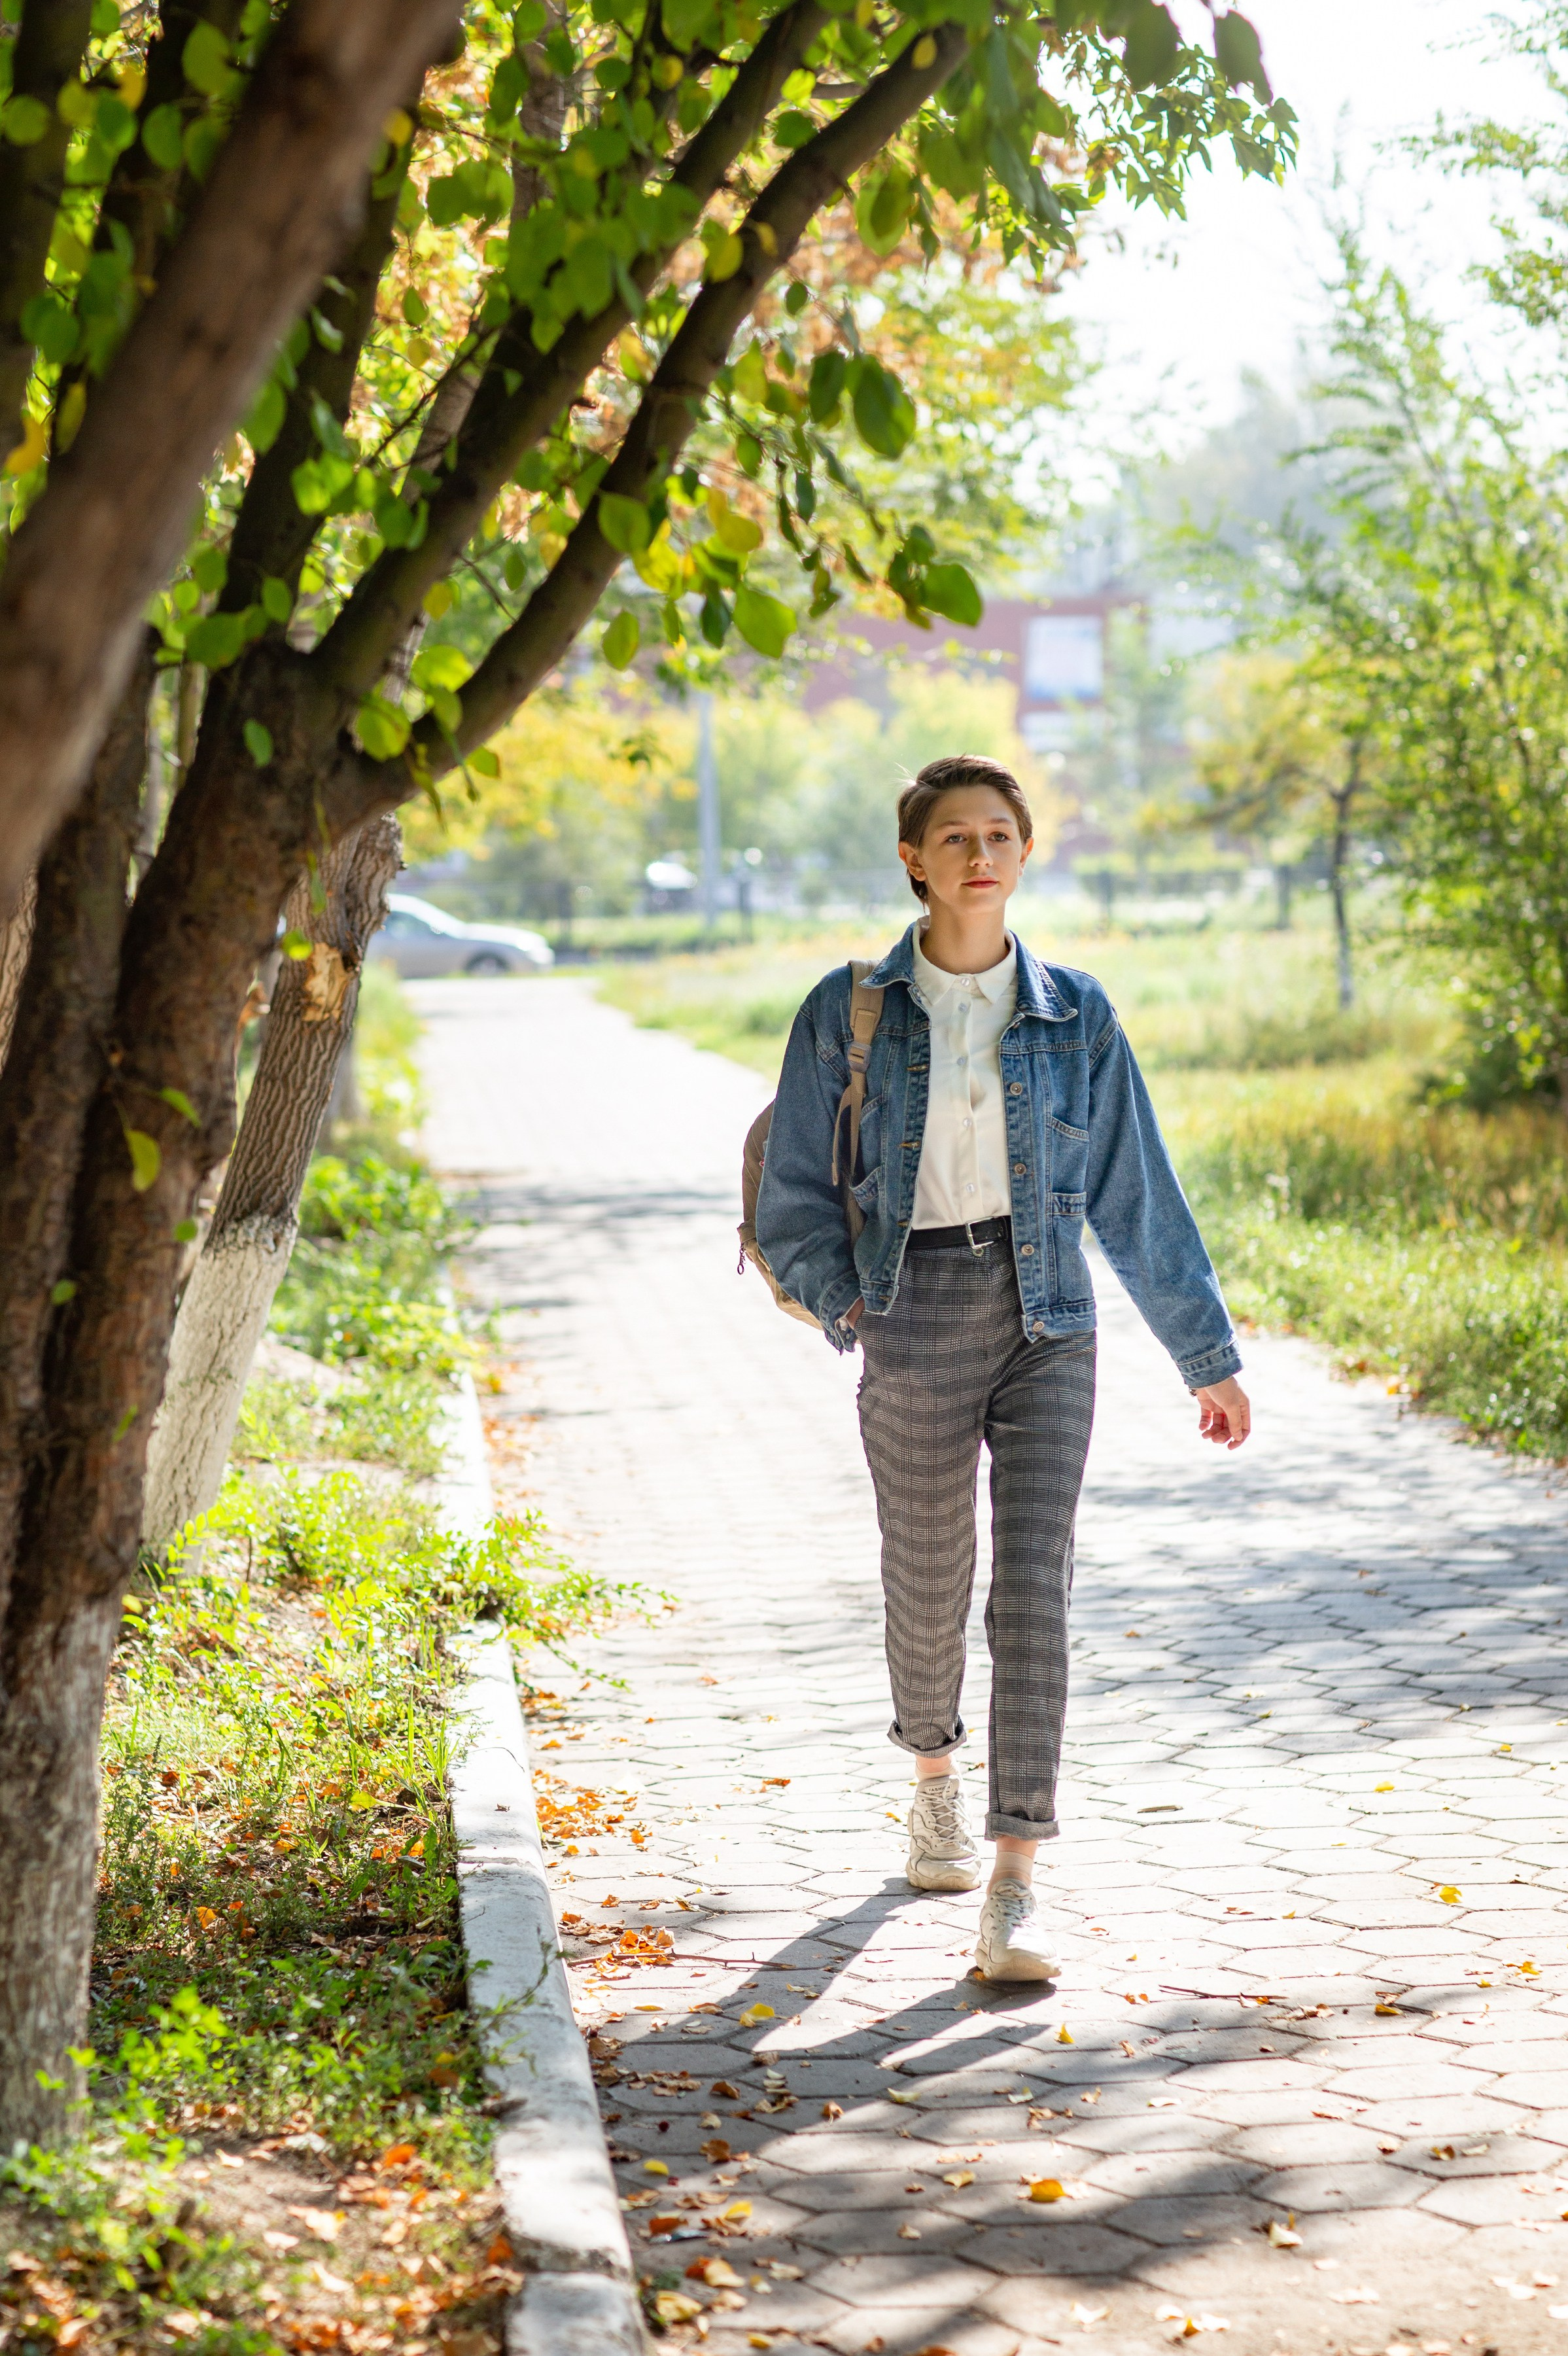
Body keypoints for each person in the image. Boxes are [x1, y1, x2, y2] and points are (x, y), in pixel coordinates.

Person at [754, 753, 1251, 1982]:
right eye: (954, 837)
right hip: (909, 1308)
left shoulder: (1076, 1012)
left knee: (1033, 1593)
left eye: (1000, 835)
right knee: (927, 1582)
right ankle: (932, 1773)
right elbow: (790, 1198)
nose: (980, 854)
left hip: (1049, 1319)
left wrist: (1207, 1355)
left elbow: (1136, 1193)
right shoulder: (850, 1010)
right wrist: (852, 1307)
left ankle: (1015, 1878)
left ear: (1025, 854)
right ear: (915, 860)